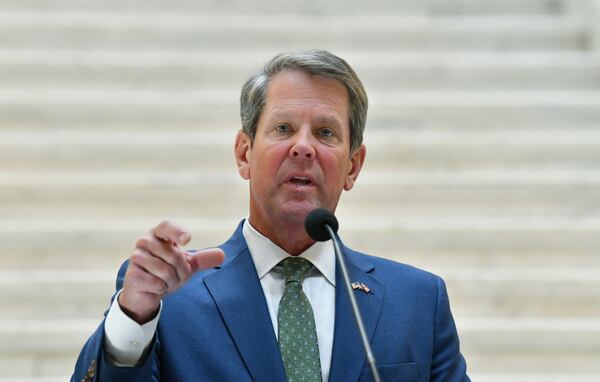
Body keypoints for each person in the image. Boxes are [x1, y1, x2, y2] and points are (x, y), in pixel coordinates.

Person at [71, 50, 470, 382]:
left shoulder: (417, 302)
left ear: (353, 166)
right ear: (244, 153)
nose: (303, 147)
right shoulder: (170, 297)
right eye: (283, 128)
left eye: (326, 133)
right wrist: (134, 315)